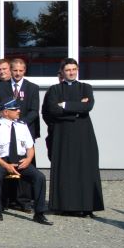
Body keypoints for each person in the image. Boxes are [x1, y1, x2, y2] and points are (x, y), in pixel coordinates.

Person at [43, 59, 104, 216]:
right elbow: (52, 110)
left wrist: (64, 105)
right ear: (62, 72)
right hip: (62, 134)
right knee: (65, 169)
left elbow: (88, 106)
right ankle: (65, 206)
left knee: (86, 168)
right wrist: (76, 109)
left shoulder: (86, 87)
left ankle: (87, 206)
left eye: (74, 69)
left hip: (84, 134)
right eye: (68, 69)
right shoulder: (54, 90)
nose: (71, 72)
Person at [0, 99, 51, 225]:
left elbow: (30, 147)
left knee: (40, 177)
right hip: (2, 161)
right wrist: (5, 165)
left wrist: (28, 159)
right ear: (5, 112)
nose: (19, 111)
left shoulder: (22, 125)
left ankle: (39, 213)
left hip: (21, 160)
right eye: (15, 109)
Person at [2, 58, 41, 139]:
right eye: (15, 70)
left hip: (26, 129)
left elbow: (34, 111)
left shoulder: (33, 88)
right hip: (5, 130)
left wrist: (21, 123)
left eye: (20, 70)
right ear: (10, 70)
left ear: (24, 70)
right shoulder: (0, 87)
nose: (18, 73)